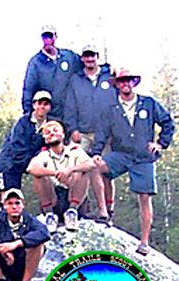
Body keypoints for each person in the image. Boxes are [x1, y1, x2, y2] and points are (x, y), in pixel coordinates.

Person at [91, 69, 175, 255]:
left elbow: (168, 122)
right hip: (121, 154)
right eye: (122, 81)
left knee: (144, 197)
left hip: (143, 156)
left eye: (129, 80)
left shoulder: (148, 103)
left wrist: (161, 143)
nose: (125, 84)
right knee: (96, 168)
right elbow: (102, 134)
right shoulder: (111, 109)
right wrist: (96, 152)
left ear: (134, 83)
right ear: (117, 84)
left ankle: (144, 242)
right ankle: (105, 212)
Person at [63, 45, 116, 220]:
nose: (89, 59)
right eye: (86, 56)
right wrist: (72, 129)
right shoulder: (75, 80)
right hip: (83, 132)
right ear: (82, 59)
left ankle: (108, 210)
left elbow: (121, 101)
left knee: (106, 171)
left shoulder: (110, 76)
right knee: (75, 167)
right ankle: (77, 208)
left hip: (106, 133)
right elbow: (70, 106)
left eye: (92, 56)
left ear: (97, 57)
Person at [26, 120, 98, 231]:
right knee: (39, 175)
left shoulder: (75, 151)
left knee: (82, 170)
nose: (52, 133)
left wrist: (71, 169)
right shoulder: (43, 155)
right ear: (45, 139)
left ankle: (72, 212)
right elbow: (31, 168)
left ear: (63, 134)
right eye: (48, 132)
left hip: (74, 195)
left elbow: (91, 164)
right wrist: (55, 173)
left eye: (55, 130)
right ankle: (49, 215)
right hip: (54, 198)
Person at [0, 92, 55, 192]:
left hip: (31, 163)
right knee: (11, 195)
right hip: (9, 163)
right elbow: (17, 147)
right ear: (34, 105)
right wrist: (34, 160)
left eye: (45, 104)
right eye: (39, 103)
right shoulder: (22, 122)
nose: (42, 107)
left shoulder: (51, 125)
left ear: (50, 107)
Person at [21, 25, 81, 119]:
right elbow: (28, 90)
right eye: (45, 37)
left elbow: (87, 67)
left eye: (50, 36)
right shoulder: (36, 63)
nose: (48, 40)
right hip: (49, 116)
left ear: (55, 37)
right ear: (42, 38)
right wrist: (28, 115)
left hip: (71, 115)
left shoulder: (69, 56)